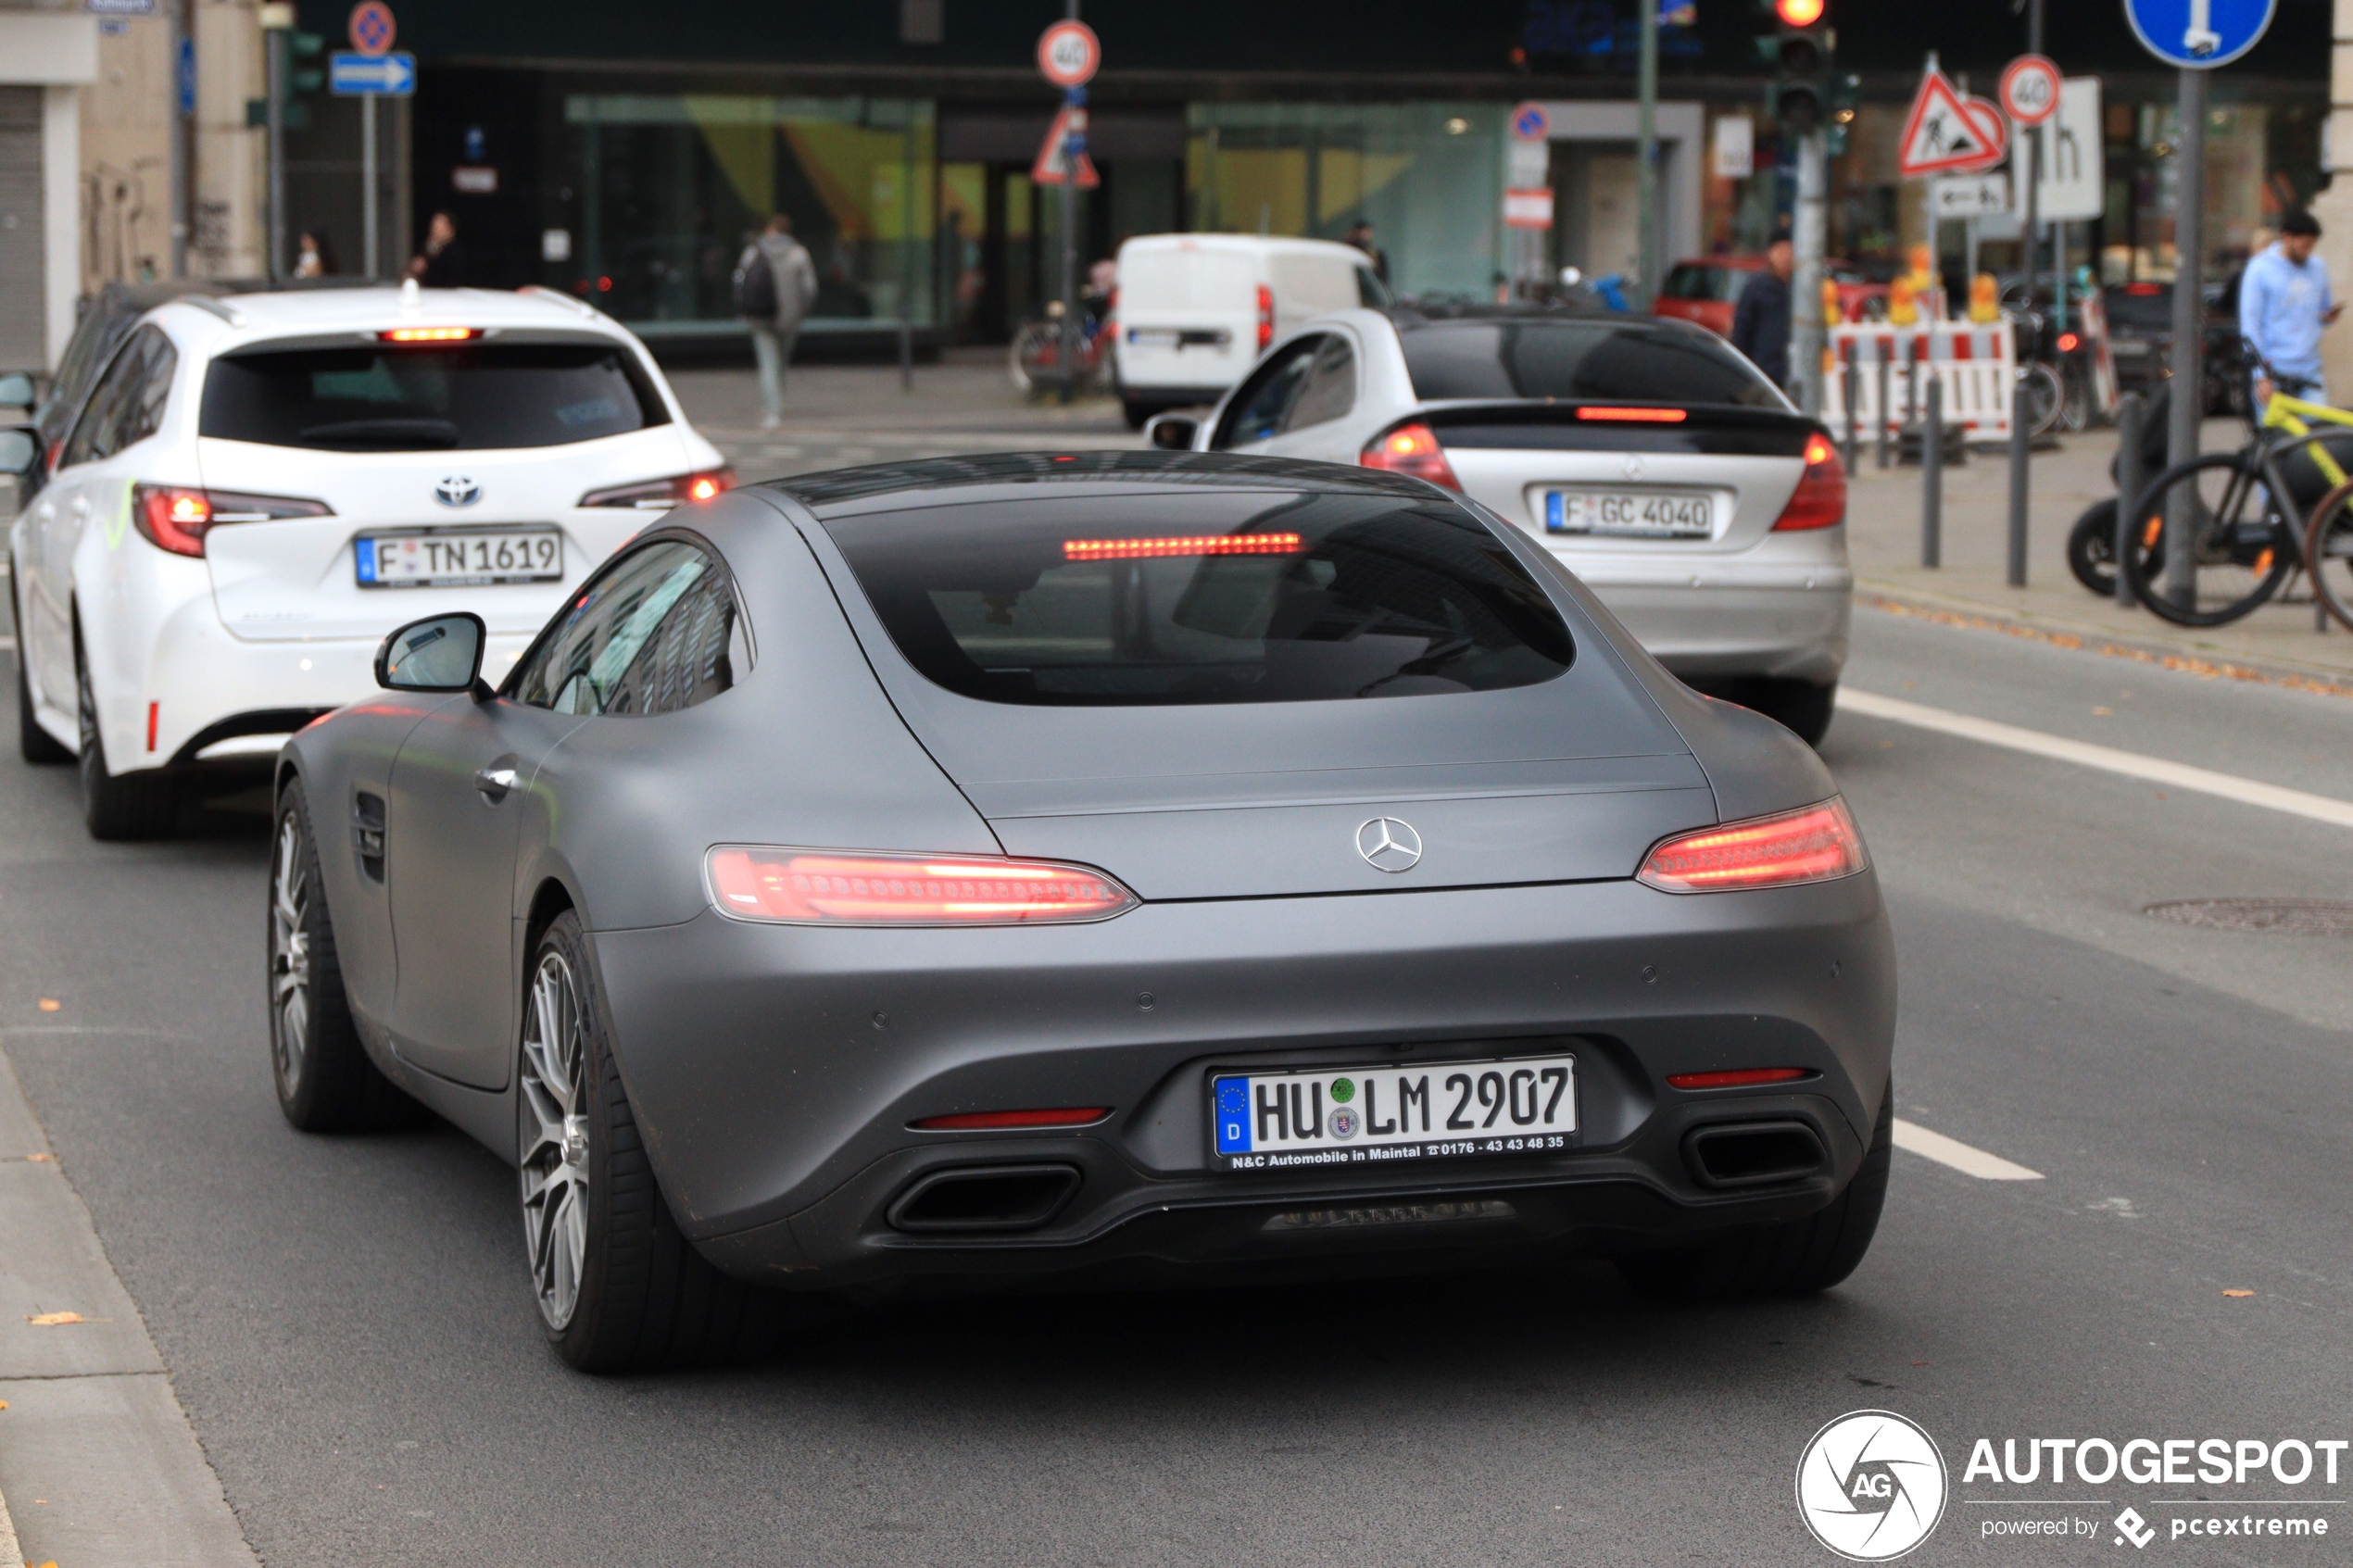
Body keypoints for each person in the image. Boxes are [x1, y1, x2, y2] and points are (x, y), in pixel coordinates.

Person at [2242, 209, 2343, 409]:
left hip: (2310, 369)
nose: (2308, 251)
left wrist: (2327, 317)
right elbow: (2251, 325)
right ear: (2287, 237)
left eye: (2312, 246)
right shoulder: (2260, 269)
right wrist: (2260, 376)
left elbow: (2320, 313)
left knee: (2315, 436)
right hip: (2274, 371)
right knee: (2279, 437)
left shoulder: (2318, 268)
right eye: (2304, 245)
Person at [735, 214, 818, 431]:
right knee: (780, 361)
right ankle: (777, 401)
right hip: (790, 318)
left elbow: (739, 283)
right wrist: (801, 312)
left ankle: (772, 410)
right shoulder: (799, 254)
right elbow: (810, 289)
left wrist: (744, 310)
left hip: (760, 317)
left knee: (768, 363)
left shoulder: (753, 252)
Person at [1730, 236, 1795, 390]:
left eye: (1788, 251)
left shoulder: (1797, 289)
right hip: (1763, 372)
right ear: (1770, 253)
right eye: (1780, 251)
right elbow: (1741, 328)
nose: (1784, 257)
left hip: (1789, 372)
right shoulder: (1757, 286)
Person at [406, 212, 465, 287]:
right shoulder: (429, 247)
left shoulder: (454, 251)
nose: (434, 229)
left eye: (438, 226)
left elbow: (450, 277)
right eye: (433, 225)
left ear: (450, 228)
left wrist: (427, 267)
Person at [1344, 220, 1389, 284]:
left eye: (1368, 232)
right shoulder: (1348, 252)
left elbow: (1383, 279)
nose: (1366, 235)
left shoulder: (1377, 255)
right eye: (1364, 231)